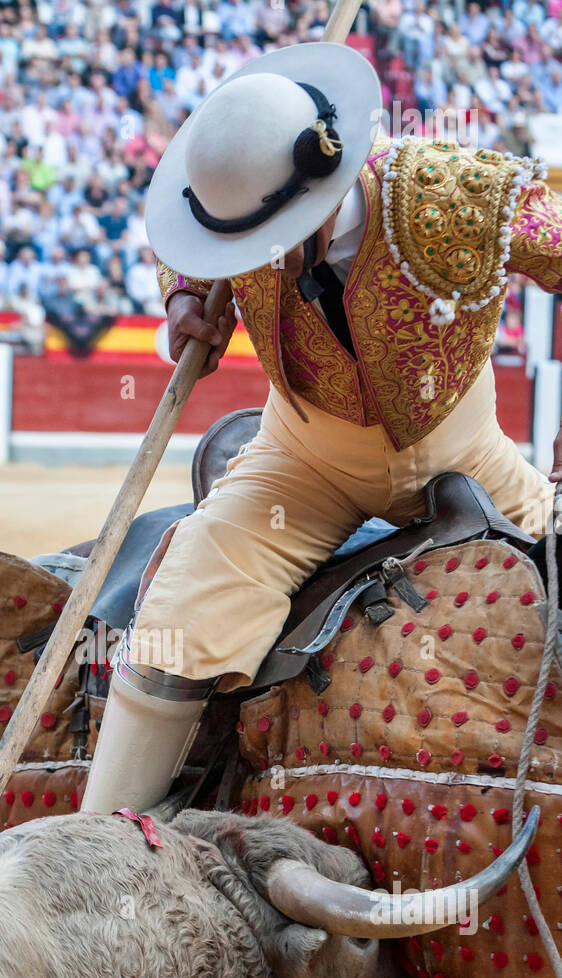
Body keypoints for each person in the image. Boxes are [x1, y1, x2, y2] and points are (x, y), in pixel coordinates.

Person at [81, 43, 562, 816]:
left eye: (257, 246)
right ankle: (102, 843)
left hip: (467, 453)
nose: (247, 262)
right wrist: (183, 298)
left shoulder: (456, 192)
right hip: (303, 462)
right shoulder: (238, 193)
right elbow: (188, 240)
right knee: (179, 612)